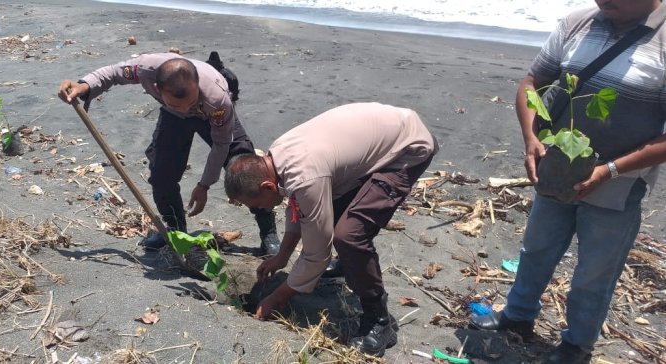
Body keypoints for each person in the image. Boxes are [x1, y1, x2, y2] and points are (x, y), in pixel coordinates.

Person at [469, 1, 666, 363]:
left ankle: (577, 345)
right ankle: (518, 316)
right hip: (557, 167)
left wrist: (609, 170)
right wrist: (531, 138)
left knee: (595, 270)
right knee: (536, 249)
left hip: (620, 182)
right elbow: (532, 83)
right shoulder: (578, 21)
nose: (605, 2)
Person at [224, 102, 438, 356]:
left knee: (349, 235)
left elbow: (317, 255)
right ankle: (350, 265)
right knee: (332, 217)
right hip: (383, 137)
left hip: (407, 148)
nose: (260, 210)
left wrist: (277, 298)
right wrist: (282, 256)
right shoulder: (276, 157)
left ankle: (378, 319)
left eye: (257, 205)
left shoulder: (305, 175)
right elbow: (298, 204)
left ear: (268, 187)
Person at [58, 52, 281, 255]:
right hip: (172, 118)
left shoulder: (218, 99)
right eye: (178, 103)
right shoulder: (144, 69)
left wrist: (204, 185)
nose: (186, 109)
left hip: (209, 115)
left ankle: (268, 231)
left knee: (245, 168)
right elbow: (113, 72)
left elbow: (221, 145)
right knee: (161, 172)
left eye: (190, 103)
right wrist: (84, 86)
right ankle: (175, 230)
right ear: (157, 87)